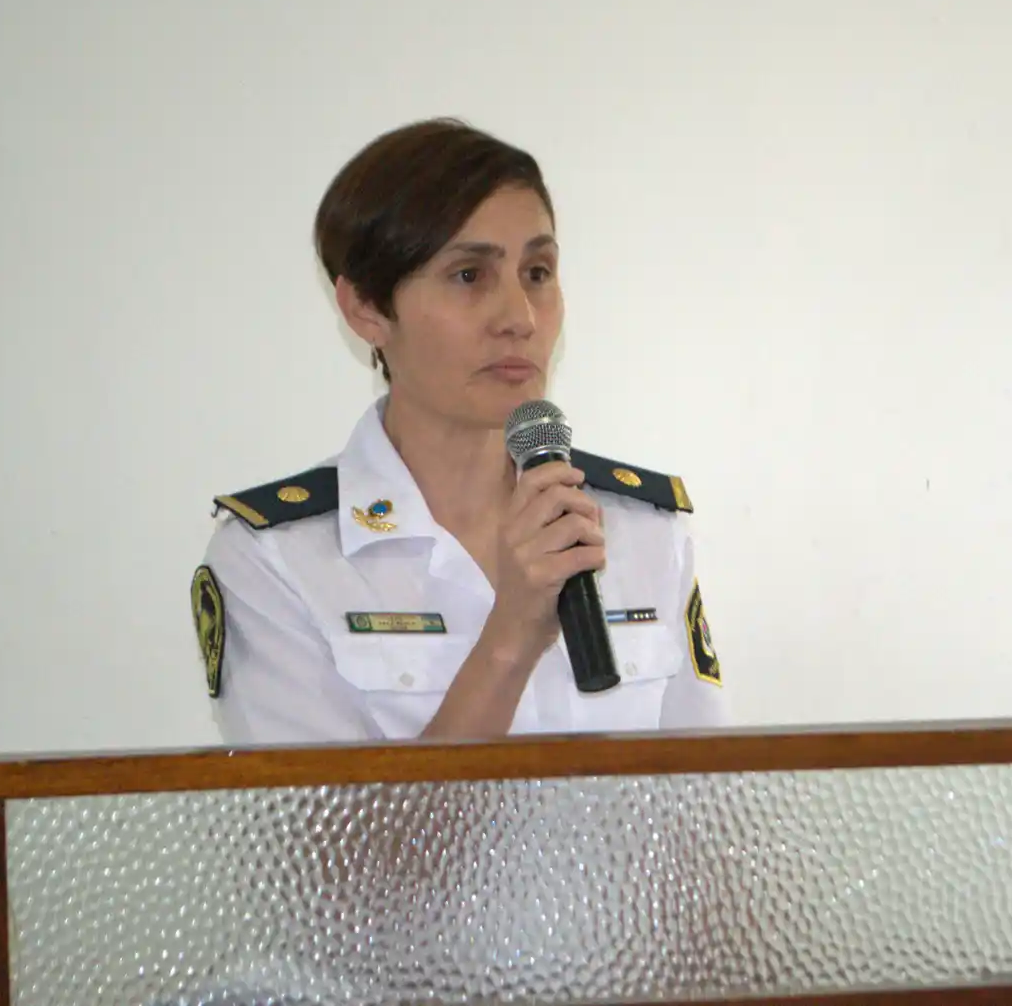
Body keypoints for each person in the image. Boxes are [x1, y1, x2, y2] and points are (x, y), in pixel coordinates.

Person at [190, 118, 728, 745]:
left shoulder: (642, 528)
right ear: (365, 307)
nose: (520, 319)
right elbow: (329, 845)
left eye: (538, 273)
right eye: (469, 276)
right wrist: (509, 640)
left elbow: (707, 813)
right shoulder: (276, 559)